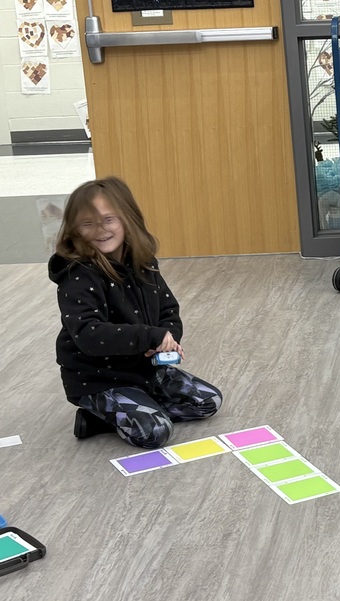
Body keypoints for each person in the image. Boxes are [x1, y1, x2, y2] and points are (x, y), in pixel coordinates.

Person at [49, 177, 222, 448]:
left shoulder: (142, 262)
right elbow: (88, 334)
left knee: (208, 401)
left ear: (127, 219)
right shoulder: (77, 275)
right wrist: (150, 337)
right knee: (153, 432)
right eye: (87, 223)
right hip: (99, 380)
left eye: (109, 219)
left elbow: (168, 309)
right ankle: (102, 415)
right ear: (74, 229)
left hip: (144, 370)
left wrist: (167, 337)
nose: (100, 229)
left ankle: (131, 409)